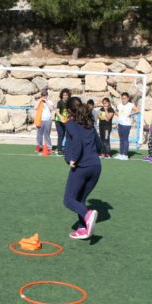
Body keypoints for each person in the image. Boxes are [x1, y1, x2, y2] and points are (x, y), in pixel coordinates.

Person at [63, 97, 103, 240]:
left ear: (68, 110)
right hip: (96, 166)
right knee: (80, 200)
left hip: (82, 166)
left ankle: (88, 214)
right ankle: (82, 228)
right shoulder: (90, 124)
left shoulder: (70, 124)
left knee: (68, 200)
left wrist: (72, 158)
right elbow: (99, 146)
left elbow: (76, 144)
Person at [115, 92, 138, 161]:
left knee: (125, 139)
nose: (123, 100)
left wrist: (131, 114)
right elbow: (116, 111)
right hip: (120, 124)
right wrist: (119, 116)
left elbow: (137, 110)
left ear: (128, 98)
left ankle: (125, 155)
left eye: (125, 98)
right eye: (122, 98)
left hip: (126, 124)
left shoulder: (130, 105)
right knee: (121, 139)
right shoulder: (119, 105)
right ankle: (121, 153)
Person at [33, 88, 54, 153]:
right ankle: (39, 146)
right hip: (40, 120)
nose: (44, 96)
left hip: (48, 120)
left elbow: (51, 109)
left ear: (47, 95)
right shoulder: (39, 101)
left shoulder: (50, 102)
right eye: (43, 95)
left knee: (47, 134)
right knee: (39, 134)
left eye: (45, 95)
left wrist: (46, 102)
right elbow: (35, 108)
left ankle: (49, 147)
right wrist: (40, 100)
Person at [54, 88, 71, 155]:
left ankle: (66, 148)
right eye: (64, 95)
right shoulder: (60, 102)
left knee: (66, 135)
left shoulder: (69, 103)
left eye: (66, 95)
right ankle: (59, 150)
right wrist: (61, 117)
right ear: (62, 96)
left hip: (66, 121)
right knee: (61, 134)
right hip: (58, 121)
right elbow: (57, 112)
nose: (65, 96)